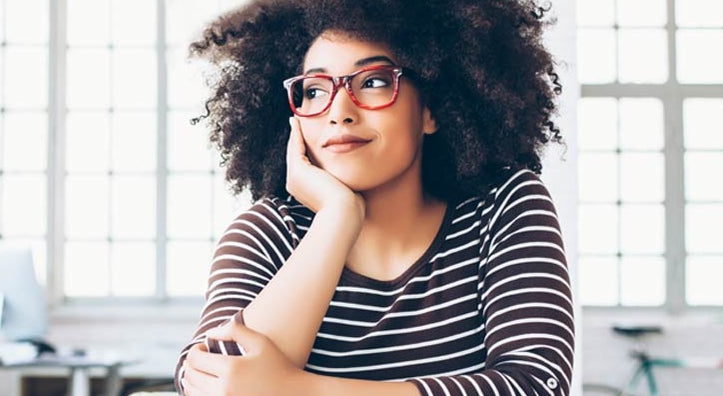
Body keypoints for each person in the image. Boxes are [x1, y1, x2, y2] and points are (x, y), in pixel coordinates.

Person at [174, 0, 573, 395]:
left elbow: (536, 384)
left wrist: (301, 391)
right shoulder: (265, 233)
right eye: (314, 90)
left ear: (431, 110)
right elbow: (211, 383)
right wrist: (336, 219)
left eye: (374, 81)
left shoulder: (501, 209)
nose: (339, 112)